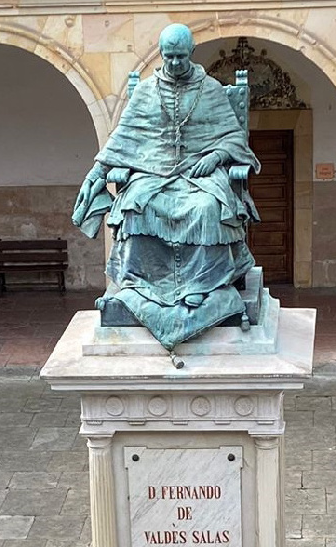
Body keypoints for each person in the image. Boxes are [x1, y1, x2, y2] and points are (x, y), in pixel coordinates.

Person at [71, 22, 260, 349]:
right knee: (136, 209)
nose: (174, 63)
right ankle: (141, 286)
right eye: (168, 57)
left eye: (180, 57)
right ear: (161, 55)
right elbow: (124, 138)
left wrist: (216, 156)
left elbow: (232, 136)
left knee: (209, 209)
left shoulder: (211, 88)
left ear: (191, 53)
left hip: (199, 173)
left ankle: (206, 285)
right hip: (152, 172)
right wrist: (97, 173)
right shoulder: (145, 91)